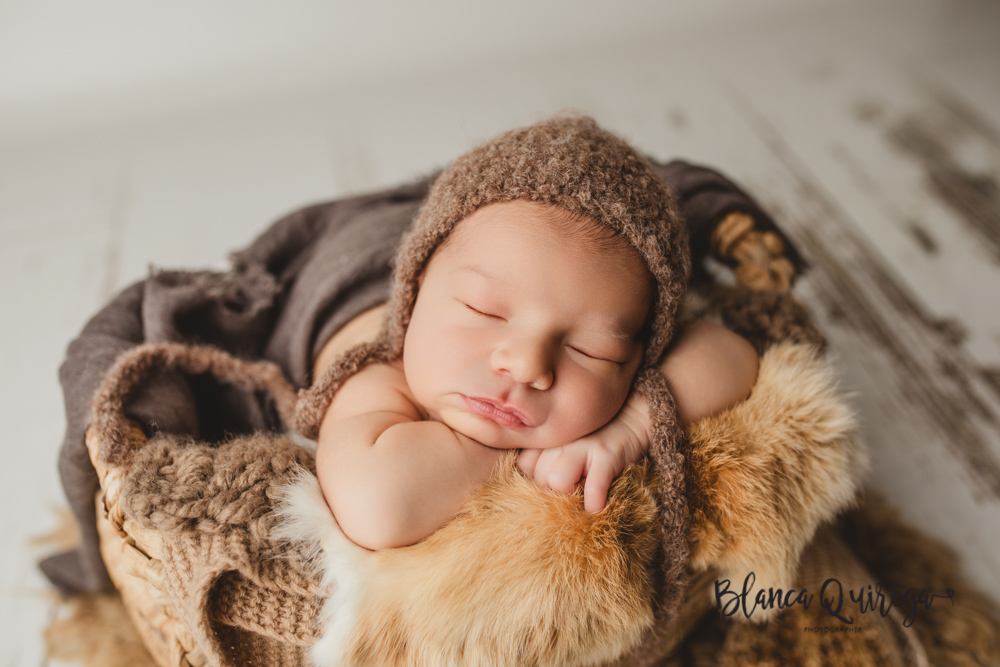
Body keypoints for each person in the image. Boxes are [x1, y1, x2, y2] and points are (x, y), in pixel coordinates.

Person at [307, 116, 759, 551]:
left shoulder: (610, 313)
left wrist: (632, 426)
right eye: (482, 310)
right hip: (351, 255)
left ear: (640, 356)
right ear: (419, 286)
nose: (525, 365)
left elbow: (734, 356)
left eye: (590, 350)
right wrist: (523, 461)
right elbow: (379, 506)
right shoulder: (377, 374)